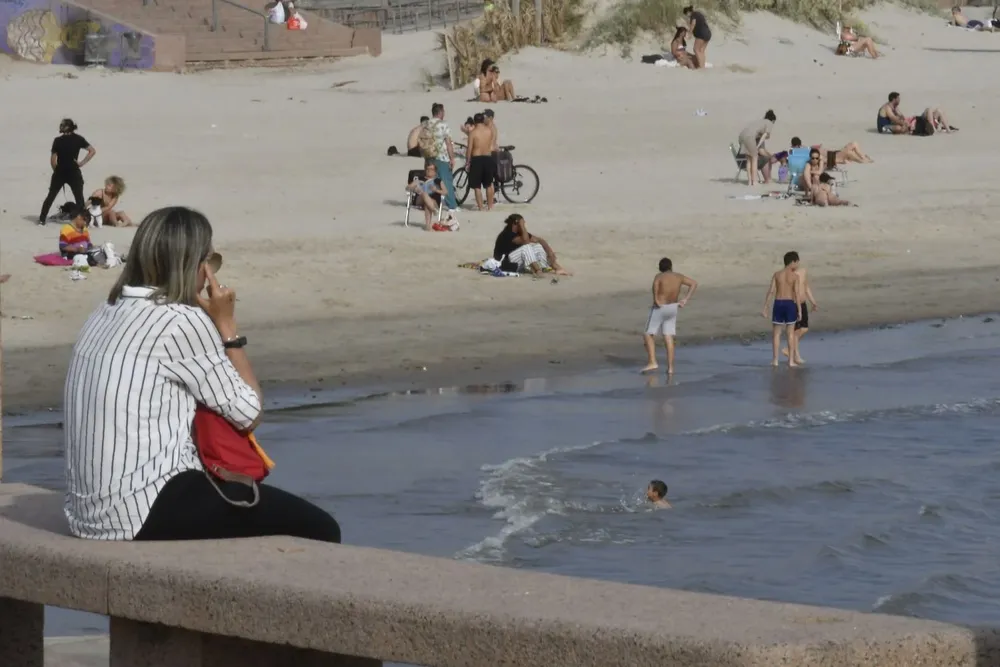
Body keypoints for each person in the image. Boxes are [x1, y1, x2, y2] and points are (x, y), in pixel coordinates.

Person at [63, 206, 342, 543]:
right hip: (141, 508)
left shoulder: (103, 312)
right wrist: (227, 328)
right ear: (195, 265)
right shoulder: (181, 321)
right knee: (322, 528)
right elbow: (249, 412)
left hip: (87, 514)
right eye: (211, 260)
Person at [641, 257, 697, 376]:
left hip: (660, 307)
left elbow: (655, 288)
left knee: (648, 334)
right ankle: (671, 368)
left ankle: (652, 361)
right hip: (673, 307)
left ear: (660, 268)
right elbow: (693, 283)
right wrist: (685, 299)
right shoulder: (678, 276)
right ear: (670, 267)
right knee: (668, 336)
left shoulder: (659, 276)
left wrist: (656, 300)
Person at [40, 118, 95, 225]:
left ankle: (42, 220)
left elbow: (53, 160)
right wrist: (81, 163)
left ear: (68, 127)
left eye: (62, 125)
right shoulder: (78, 139)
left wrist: (56, 172)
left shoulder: (57, 140)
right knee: (79, 198)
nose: (60, 127)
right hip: (73, 172)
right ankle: (84, 222)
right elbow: (92, 151)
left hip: (60, 172)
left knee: (51, 197)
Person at [493, 214, 570, 277]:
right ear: (516, 224)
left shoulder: (521, 234)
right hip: (506, 264)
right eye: (522, 223)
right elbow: (526, 241)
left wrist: (550, 253)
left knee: (538, 246)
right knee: (526, 247)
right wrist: (522, 226)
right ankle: (537, 271)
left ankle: (556, 268)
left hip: (517, 262)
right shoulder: (507, 234)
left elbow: (540, 240)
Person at [761, 251, 803, 368]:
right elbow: (796, 294)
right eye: (797, 262)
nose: (798, 265)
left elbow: (771, 291)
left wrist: (765, 307)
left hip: (778, 303)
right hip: (789, 304)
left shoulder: (777, 274)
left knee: (776, 333)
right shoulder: (795, 276)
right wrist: (799, 310)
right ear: (792, 262)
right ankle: (790, 361)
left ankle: (775, 360)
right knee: (790, 333)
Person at [423, 102, 459, 224]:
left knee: (431, 180)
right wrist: (452, 158)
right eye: (443, 111)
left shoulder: (426, 124)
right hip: (442, 157)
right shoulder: (444, 124)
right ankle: (452, 206)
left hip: (429, 156)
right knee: (446, 181)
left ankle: (431, 203)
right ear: (440, 112)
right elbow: (448, 143)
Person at [783, 261, 819, 365]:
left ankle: (788, 349)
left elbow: (806, 287)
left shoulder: (803, 272)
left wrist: (813, 302)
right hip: (794, 304)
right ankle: (796, 355)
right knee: (796, 330)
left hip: (803, 303)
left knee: (804, 329)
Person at [466, 114, 497, 212]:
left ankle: (481, 207)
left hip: (477, 159)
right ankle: (490, 206)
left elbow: (469, 148)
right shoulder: (489, 131)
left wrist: (467, 161)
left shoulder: (473, 133)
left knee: (477, 186)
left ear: (475, 122)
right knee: (488, 184)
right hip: (488, 158)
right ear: (483, 120)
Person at [738, 109, 776, 186]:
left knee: (749, 159)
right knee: (754, 158)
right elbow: (765, 135)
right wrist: (758, 146)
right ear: (773, 120)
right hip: (750, 137)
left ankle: (750, 182)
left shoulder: (760, 122)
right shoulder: (769, 123)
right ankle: (754, 181)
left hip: (742, 136)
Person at [406, 162, 447, 231]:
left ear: (435, 172)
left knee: (427, 204)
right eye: (427, 169)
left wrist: (436, 190)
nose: (428, 171)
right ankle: (433, 210)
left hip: (433, 201)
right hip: (420, 200)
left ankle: (428, 226)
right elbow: (407, 188)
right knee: (424, 194)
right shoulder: (419, 179)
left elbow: (445, 192)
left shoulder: (438, 181)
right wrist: (413, 187)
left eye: (431, 169)